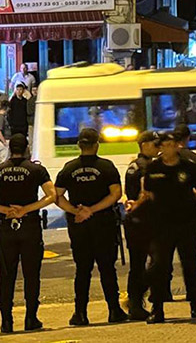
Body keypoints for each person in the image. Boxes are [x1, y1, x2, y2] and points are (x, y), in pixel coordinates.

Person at [0, 133, 54, 333]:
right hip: (30, 225)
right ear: (26, 148)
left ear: (10, 149)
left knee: (7, 275)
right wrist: (28, 208)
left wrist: (3, 209)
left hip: (7, 226)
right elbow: (51, 196)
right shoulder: (36, 170)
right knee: (31, 274)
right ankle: (31, 318)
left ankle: (6, 321)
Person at [54, 128, 127, 326]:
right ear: (96, 145)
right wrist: (92, 210)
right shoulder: (106, 166)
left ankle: (80, 313)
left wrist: (75, 211)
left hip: (79, 226)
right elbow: (116, 194)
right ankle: (114, 310)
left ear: (79, 145)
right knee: (107, 268)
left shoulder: (69, 168)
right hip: (103, 223)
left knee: (82, 269)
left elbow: (56, 196)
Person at [144, 132, 196, 323]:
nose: (168, 148)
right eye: (164, 145)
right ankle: (158, 308)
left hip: (186, 222)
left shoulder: (189, 167)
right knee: (160, 266)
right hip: (162, 225)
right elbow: (148, 192)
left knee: (190, 264)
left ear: (177, 146)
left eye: (172, 144)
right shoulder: (153, 168)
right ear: (160, 147)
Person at [122, 130, 159, 320]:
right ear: (144, 145)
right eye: (155, 144)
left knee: (138, 264)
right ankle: (135, 300)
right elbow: (145, 193)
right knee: (158, 262)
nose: (158, 148)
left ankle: (135, 302)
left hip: (135, 221)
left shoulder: (134, 165)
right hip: (145, 221)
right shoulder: (145, 167)